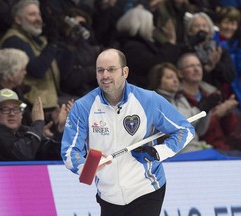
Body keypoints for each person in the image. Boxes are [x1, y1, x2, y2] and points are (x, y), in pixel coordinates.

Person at [61, 48, 195, 216]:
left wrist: (158, 152)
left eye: (111, 69)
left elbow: (184, 130)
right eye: (100, 70)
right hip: (108, 196)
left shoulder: (149, 100)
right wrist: (87, 167)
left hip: (146, 190)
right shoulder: (83, 107)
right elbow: (69, 152)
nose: (105, 75)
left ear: (125, 72)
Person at [0, 88, 67, 161]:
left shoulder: (23, 131)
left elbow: (50, 155)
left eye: (16, 109)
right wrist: (38, 123)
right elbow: (23, 155)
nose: (12, 114)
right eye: (5, 110)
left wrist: (60, 130)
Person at [0, 0, 62, 110]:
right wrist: (53, 44)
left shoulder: (37, 39)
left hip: (48, 101)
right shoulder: (14, 40)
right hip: (30, 103)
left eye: (39, 14)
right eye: (32, 15)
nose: (38, 19)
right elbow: (36, 70)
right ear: (18, 19)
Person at [177, 52, 241, 150]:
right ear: (180, 73)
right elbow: (197, 132)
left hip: (222, 146)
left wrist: (229, 112)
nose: (196, 69)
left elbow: (231, 130)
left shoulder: (212, 92)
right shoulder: (177, 98)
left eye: (199, 65)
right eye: (190, 66)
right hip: (199, 149)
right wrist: (217, 115)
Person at [147, 62, 212, 152]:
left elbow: (200, 131)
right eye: (170, 77)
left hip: (194, 147)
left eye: (176, 77)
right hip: (177, 151)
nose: (176, 80)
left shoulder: (181, 98)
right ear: (157, 81)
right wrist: (200, 109)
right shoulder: (156, 102)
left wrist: (207, 111)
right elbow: (178, 123)